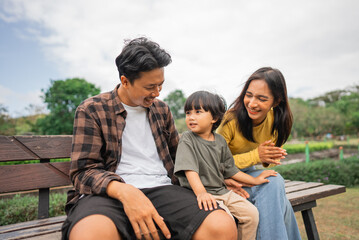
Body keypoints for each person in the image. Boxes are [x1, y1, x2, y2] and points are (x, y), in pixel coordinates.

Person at [61, 37, 237, 240]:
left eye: (160, 85)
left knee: (221, 227)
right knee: (91, 234)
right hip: (108, 193)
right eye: (150, 87)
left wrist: (220, 180)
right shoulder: (92, 109)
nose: (157, 93)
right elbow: (83, 171)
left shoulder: (161, 110)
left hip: (164, 189)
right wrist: (125, 191)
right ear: (125, 81)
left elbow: (181, 157)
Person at [174, 91, 278, 240]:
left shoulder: (220, 141)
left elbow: (231, 171)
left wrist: (255, 180)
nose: (191, 117)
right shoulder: (187, 139)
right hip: (198, 194)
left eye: (198, 112)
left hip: (222, 191)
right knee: (226, 220)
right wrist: (202, 192)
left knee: (251, 214)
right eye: (188, 112)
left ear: (214, 118)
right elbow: (190, 170)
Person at [217, 67, 302, 240]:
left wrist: (268, 158)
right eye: (249, 95)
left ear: (276, 101)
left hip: (245, 175)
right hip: (219, 177)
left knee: (274, 181)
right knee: (279, 199)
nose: (252, 103)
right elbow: (214, 162)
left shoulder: (277, 120)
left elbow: (267, 165)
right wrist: (257, 156)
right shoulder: (230, 119)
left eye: (262, 98)